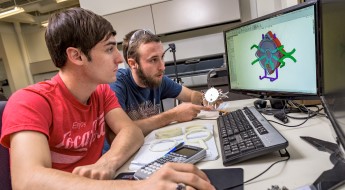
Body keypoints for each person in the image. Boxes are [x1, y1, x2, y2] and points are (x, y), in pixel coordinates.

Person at [0, 8, 215, 190]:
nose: (119, 58)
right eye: (109, 48)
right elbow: (27, 180)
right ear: (77, 56)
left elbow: (130, 132)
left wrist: (106, 163)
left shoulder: (100, 93)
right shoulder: (30, 101)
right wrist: (139, 186)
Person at [109, 29, 212, 136]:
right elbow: (121, 132)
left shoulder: (158, 79)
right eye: (153, 60)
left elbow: (191, 95)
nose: (162, 67)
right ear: (133, 63)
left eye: (162, 57)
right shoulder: (116, 84)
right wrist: (173, 115)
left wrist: (208, 98)